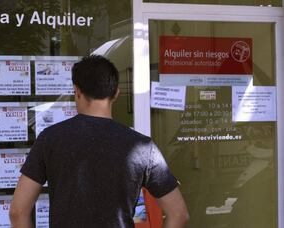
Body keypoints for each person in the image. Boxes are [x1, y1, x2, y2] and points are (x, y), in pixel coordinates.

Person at [10, 55, 189, 228]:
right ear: (116, 93)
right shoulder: (142, 147)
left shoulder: (50, 139)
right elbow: (179, 214)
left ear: (77, 91)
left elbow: (18, 212)